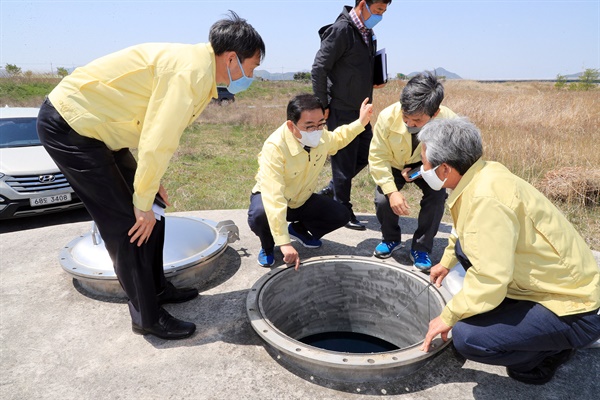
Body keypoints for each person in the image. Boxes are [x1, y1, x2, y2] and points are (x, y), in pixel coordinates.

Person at [37, 12, 265, 340]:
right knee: (126, 224)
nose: (252, 75)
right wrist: (141, 199)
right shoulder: (188, 73)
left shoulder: (199, 72)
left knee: (153, 208)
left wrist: (149, 187)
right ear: (231, 58)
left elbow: (149, 128)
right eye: (252, 67)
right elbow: (160, 139)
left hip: (101, 130)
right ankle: (147, 317)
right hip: (71, 126)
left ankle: (157, 289)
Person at [418, 118, 600, 385]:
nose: (422, 169)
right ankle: (529, 326)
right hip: (546, 285)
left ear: (445, 168)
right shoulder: (481, 175)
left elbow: (491, 278)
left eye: (425, 163)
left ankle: (549, 352)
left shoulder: (486, 200)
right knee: (463, 254)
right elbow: (463, 233)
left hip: (572, 307)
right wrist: (446, 261)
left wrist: (448, 316)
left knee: (469, 338)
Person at [248, 94, 373, 269]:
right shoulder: (275, 147)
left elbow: (338, 138)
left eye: (321, 124)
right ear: (292, 126)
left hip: (301, 199)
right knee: (260, 215)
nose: (316, 130)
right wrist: (284, 243)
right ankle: (268, 247)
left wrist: (360, 123)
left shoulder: (321, 137)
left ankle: (298, 230)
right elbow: (273, 195)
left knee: (341, 214)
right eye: (309, 126)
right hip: (274, 198)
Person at [311, 0, 392, 231]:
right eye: (378, 10)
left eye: (384, 11)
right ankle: (342, 209)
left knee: (367, 153)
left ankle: (333, 189)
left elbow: (354, 66)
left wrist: (374, 79)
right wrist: (322, 103)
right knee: (344, 162)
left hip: (361, 109)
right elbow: (319, 67)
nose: (380, 15)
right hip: (341, 107)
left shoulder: (366, 31)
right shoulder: (342, 30)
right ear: (364, 4)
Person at [368, 73, 456, 269]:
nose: (409, 124)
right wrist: (392, 192)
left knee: (436, 196)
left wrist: (422, 169)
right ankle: (390, 239)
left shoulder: (449, 120)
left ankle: (422, 248)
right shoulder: (386, 117)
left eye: (416, 120)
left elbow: (455, 154)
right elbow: (377, 157)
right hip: (392, 164)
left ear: (435, 113)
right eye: (405, 117)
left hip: (426, 164)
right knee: (383, 200)